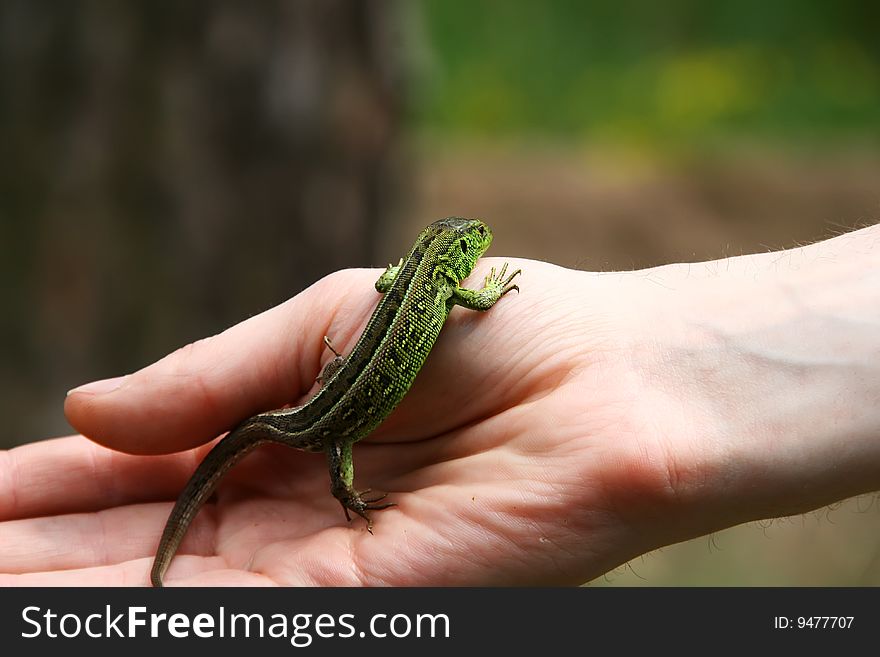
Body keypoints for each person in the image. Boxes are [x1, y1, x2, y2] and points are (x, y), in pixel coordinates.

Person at [2, 223, 878, 585]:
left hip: (325, 407)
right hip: (325, 421)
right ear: (453, 258)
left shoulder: (408, 280)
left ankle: (180, 544)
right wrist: (491, 285)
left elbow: (392, 282)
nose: (475, 249)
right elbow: (480, 300)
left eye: (471, 247)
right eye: (468, 246)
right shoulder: (455, 287)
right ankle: (244, 526)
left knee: (320, 419)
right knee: (328, 438)